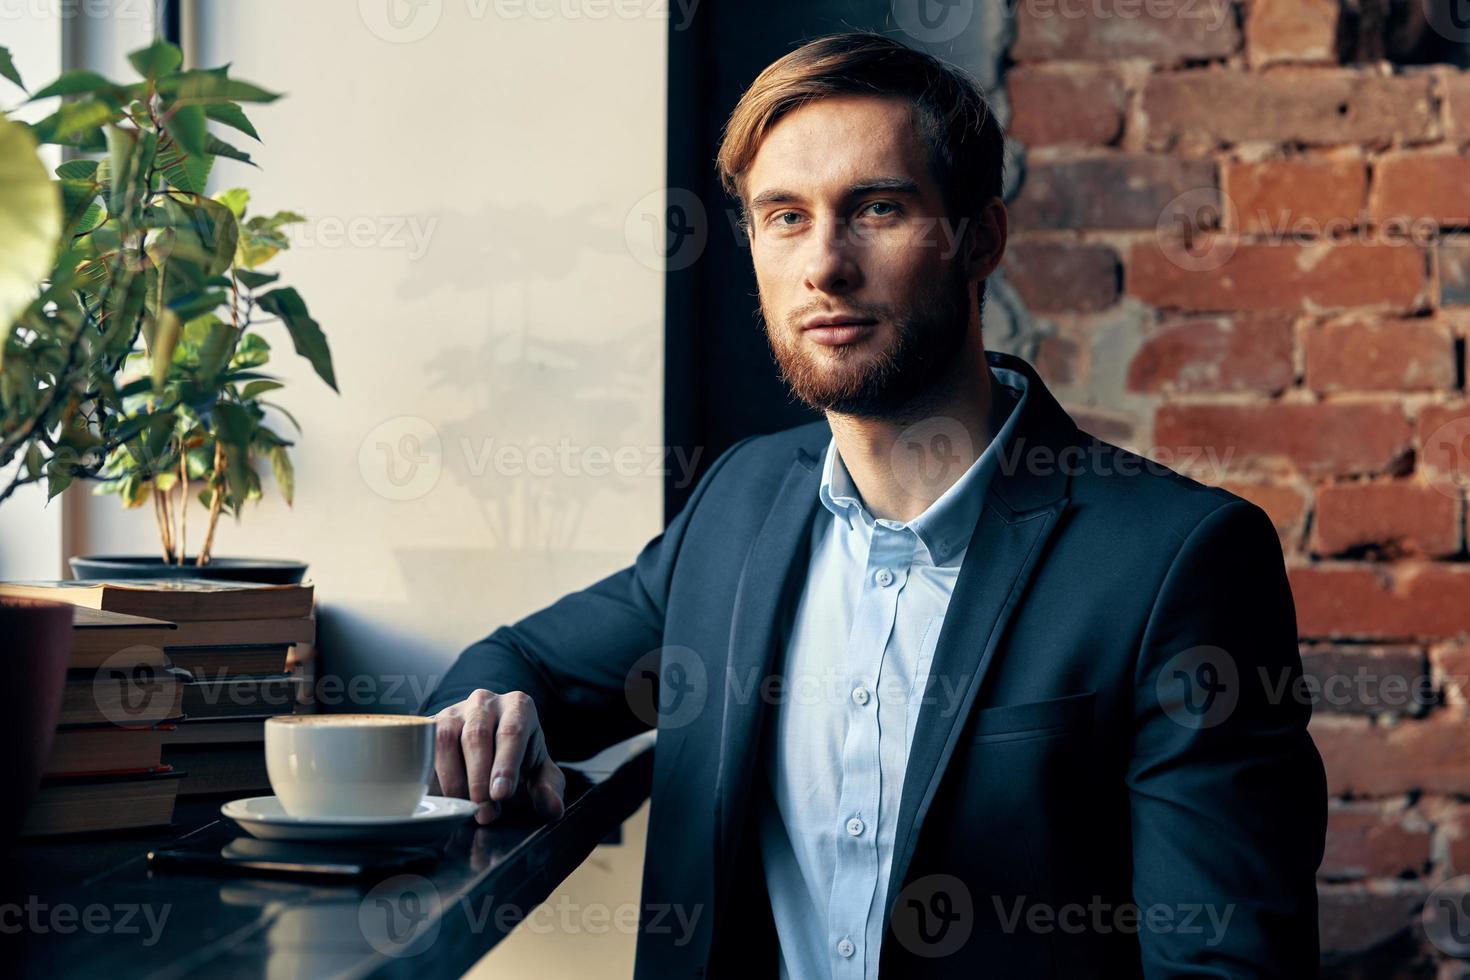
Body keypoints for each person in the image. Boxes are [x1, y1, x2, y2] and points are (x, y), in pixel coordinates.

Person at [422, 31, 1326, 979]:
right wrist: (495, 730)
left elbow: (1227, 969)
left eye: (878, 209)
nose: (824, 266)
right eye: (784, 217)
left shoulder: (1178, 560)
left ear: (981, 238)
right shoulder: (740, 504)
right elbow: (512, 662)